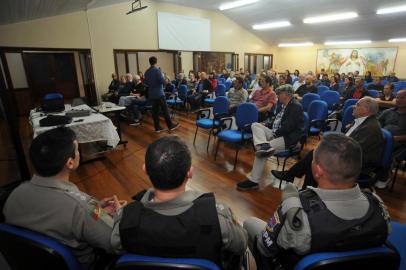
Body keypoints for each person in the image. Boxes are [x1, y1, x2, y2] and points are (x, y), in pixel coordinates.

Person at [244, 133, 390, 269]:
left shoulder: (297, 213)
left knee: (249, 223)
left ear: (318, 171)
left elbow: (266, 248)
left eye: (312, 158)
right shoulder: (379, 207)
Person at [111, 136, 248, 268]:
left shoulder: (126, 221)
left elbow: (116, 247)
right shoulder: (216, 218)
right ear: (190, 173)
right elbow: (241, 244)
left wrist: (121, 215)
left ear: (145, 169)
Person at [3, 127, 126, 269]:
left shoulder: (15, 193)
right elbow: (116, 243)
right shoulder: (81, 207)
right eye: (77, 150)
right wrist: (119, 215)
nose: (78, 153)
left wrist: (98, 207)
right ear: (70, 163)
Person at [272, 97, 384, 188]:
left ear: (367, 109)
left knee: (317, 157)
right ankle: (305, 189)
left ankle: (296, 180)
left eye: (358, 104)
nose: (354, 106)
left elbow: (354, 150)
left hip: (357, 163)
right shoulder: (362, 121)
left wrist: (332, 150)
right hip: (349, 155)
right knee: (316, 157)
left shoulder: (370, 128)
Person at [237, 85, 304, 191]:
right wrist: (266, 124)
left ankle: (253, 181)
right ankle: (263, 145)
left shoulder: (296, 107)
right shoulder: (283, 105)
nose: (277, 96)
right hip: (276, 134)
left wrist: (274, 134)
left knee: (261, 153)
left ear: (285, 95)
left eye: (279, 94)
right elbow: (276, 121)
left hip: (287, 139)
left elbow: (288, 127)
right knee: (255, 125)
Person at [375, 89, 406, 189]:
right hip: (383, 137)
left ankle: (384, 176)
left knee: (386, 148)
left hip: (400, 143)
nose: (398, 100)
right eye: (397, 97)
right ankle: (369, 170)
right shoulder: (388, 111)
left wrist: (396, 138)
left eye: (402, 98)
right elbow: (376, 123)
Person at [144, 56, 180, 133]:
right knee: (165, 110)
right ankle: (170, 126)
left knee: (155, 112)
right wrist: (165, 79)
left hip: (151, 94)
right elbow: (163, 82)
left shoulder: (146, 72)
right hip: (159, 94)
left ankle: (157, 128)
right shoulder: (157, 70)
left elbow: (146, 83)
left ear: (149, 62)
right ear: (156, 62)